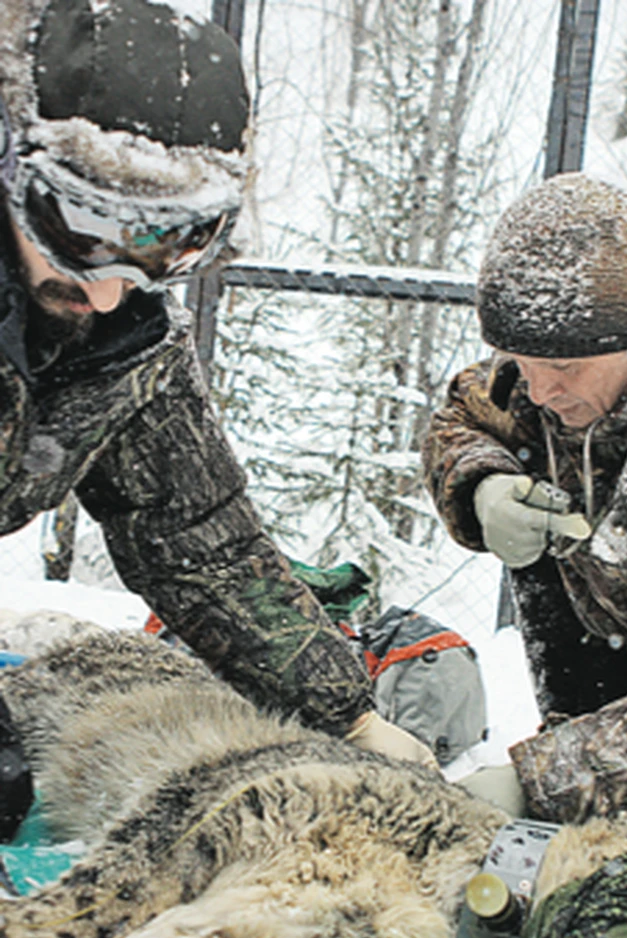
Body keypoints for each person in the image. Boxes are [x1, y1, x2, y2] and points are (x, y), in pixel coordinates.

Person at [0, 0, 433, 839]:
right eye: (82, 232)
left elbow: (202, 539)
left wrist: (347, 716)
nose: (107, 290)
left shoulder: (125, 339)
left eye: (162, 246)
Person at [423, 171, 627, 920]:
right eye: (521, 360)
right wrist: (481, 484)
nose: (537, 392)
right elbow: (468, 413)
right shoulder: (567, 333)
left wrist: (540, 778)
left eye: (562, 371)